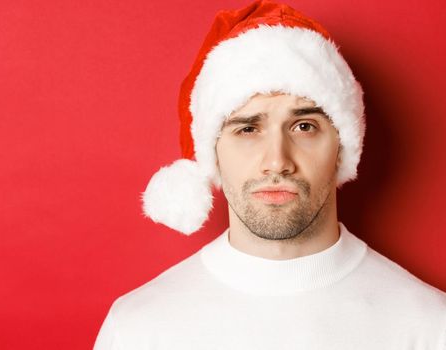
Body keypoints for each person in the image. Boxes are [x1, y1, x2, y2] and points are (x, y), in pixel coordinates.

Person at [93, 1, 446, 349]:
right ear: (211, 152)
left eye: (304, 126)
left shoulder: (429, 325)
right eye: (248, 129)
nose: (277, 161)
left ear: (343, 144)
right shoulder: (139, 329)